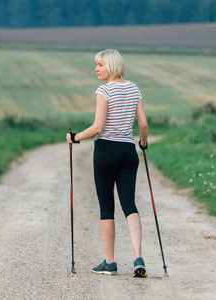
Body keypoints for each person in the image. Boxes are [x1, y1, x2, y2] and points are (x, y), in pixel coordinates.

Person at [66, 49, 149, 278]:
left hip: (106, 151)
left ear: (110, 66)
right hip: (127, 151)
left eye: (100, 65)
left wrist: (74, 138)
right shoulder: (134, 88)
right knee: (129, 205)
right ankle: (137, 257)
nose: (96, 69)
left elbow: (98, 127)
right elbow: (143, 124)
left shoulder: (104, 90)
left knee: (106, 207)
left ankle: (110, 263)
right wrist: (143, 144)